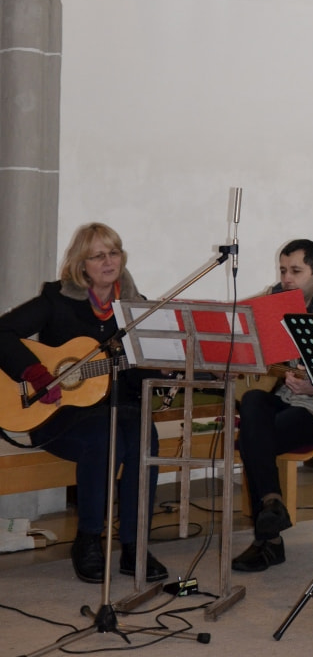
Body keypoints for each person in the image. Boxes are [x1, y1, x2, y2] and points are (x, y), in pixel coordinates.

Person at [0, 223, 167, 584]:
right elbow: (2, 332)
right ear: (81, 264)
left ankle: (135, 545)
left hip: (120, 410)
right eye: (98, 255)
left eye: (114, 252)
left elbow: (136, 371)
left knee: (144, 436)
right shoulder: (57, 300)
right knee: (105, 439)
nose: (109, 261)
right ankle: (89, 539)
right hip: (56, 414)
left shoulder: (134, 308)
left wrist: (164, 369)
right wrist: (34, 373)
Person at [232, 239, 313, 573]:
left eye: (296, 271)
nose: (287, 279)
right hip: (288, 400)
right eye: (283, 270)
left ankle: (269, 540)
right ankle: (272, 506)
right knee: (253, 400)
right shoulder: (277, 305)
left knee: (252, 437)